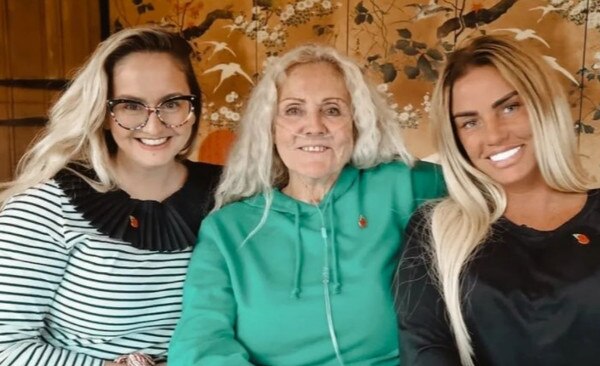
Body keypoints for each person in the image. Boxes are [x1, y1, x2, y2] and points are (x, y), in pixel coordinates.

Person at [168, 44, 447, 365]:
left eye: (332, 110)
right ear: (270, 127)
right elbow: (199, 343)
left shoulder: (402, 185)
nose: (314, 126)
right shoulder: (227, 230)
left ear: (356, 123)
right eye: (293, 110)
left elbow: (484, 184)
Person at [396, 34, 600, 366]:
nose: (495, 135)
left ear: (544, 105)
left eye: (510, 107)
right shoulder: (435, 231)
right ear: (456, 139)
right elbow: (425, 350)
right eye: (470, 122)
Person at [0, 26, 222, 366]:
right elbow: (6, 346)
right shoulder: (46, 207)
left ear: (193, 107)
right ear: (104, 114)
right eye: (131, 105)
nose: (154, 125)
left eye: (172, 103)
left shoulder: (231, 194)